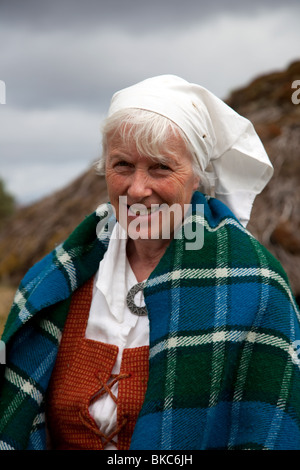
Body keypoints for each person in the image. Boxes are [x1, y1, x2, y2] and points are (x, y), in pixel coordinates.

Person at [1, 75, 300, 451]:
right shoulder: (53, 280)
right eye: (123, 165)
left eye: (160, 167)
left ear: (197, 177)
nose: (138, 189)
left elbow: (270, 431)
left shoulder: (254, 286)